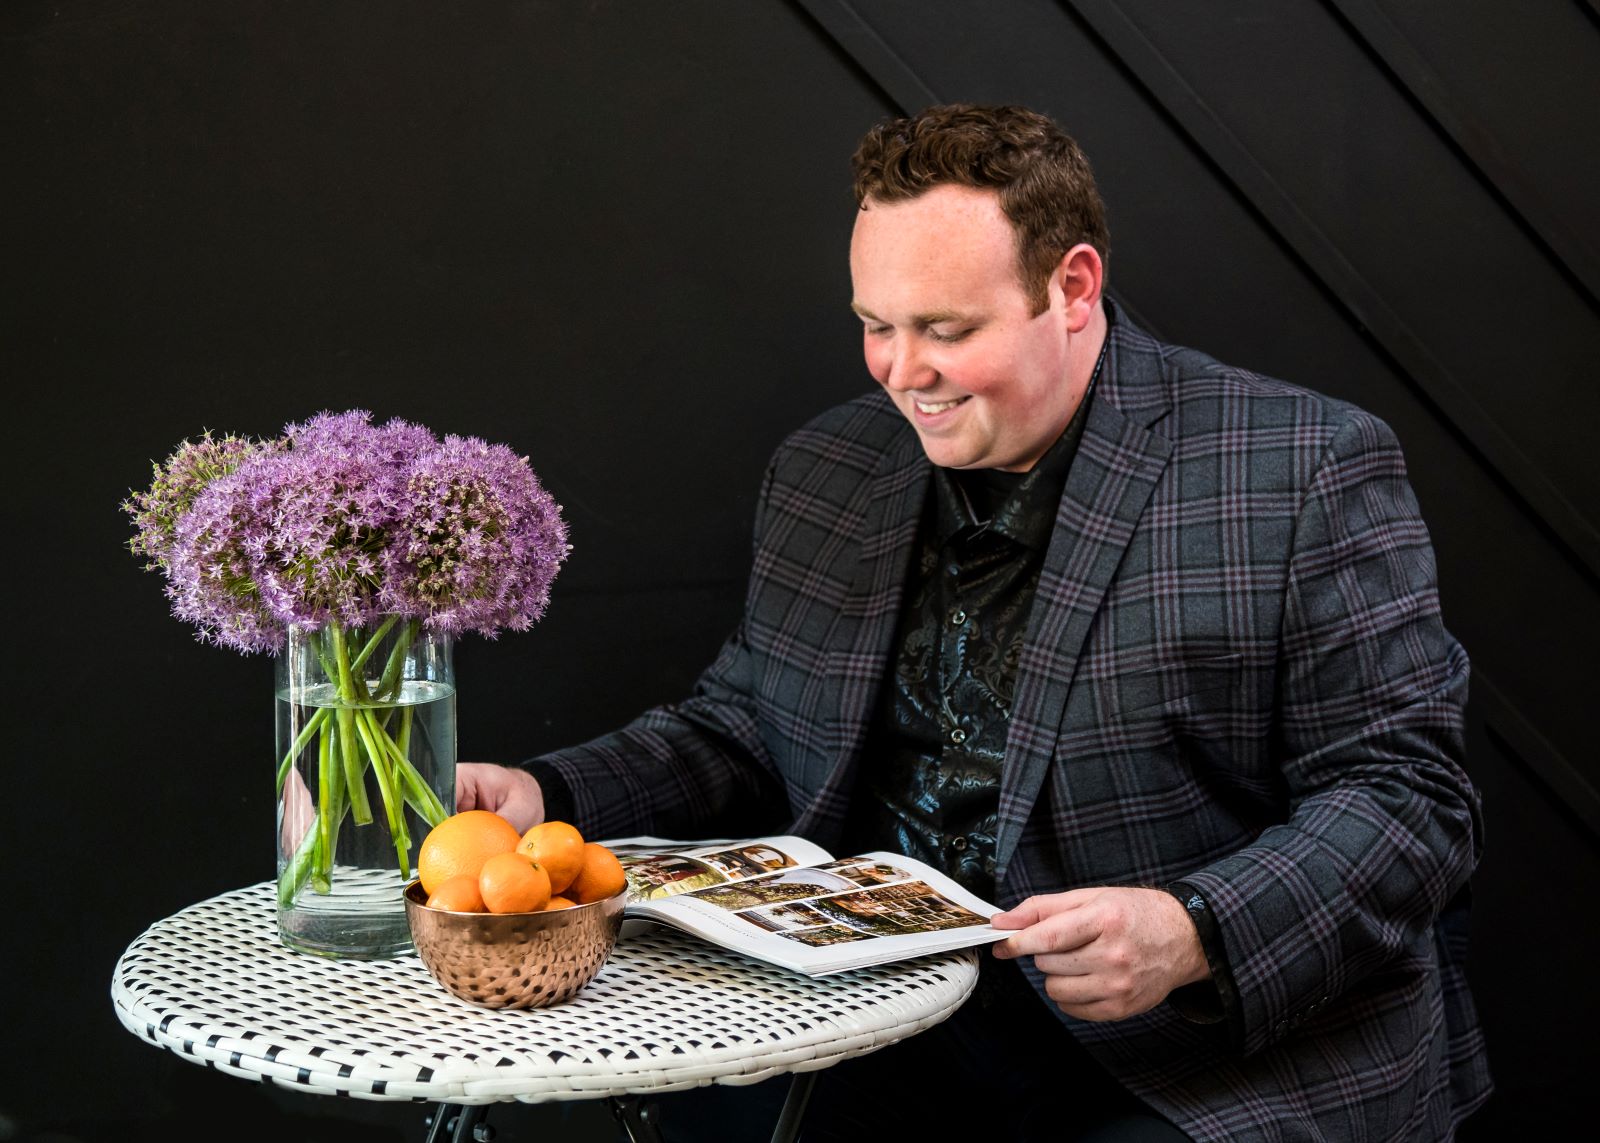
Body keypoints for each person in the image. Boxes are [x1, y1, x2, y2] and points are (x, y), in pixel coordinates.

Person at [460, 104, 1490, 1141]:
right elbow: (742, 728)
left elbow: (1409, 798)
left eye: (948, 331)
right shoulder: (830, 469)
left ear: (1072, 288)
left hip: (1200, 1056)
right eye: (876, 326)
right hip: (883, 1023)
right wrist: (545, 791)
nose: (903, 374)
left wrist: (1193, 930)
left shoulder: (1300, 467)